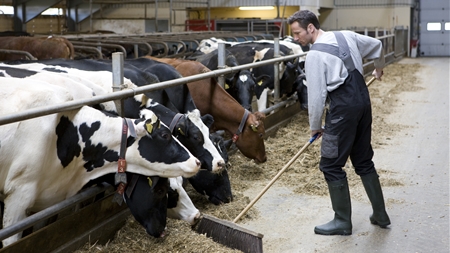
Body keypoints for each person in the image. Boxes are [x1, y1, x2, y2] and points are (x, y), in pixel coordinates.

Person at [287, 10, 391, 235]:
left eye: (297, 33)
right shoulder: (346, 35)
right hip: (363, 102)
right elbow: (377, 46)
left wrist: (315, 126)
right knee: (363, 160)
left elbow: (316, 97)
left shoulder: (314, 56)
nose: (296, 38)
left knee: (330, 165)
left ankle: (342, 221)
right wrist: (379, 67)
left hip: (342, 110)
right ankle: (381, 215)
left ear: (311, 28)